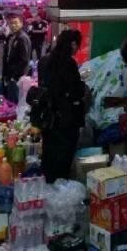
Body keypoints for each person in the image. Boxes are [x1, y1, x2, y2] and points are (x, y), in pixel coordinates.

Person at [38, 28, 85, 183]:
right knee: (63, 158)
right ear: (73, 44)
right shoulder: (69, 63)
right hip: (65, 120)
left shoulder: (44, 61)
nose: (77, 49)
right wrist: (82, 85)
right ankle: (60, 188)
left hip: (47, 118)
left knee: (49, 154)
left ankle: (47, 185)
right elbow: (76, 91)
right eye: (77, 45)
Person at [2, 12, 31, 104]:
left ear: (21, 23)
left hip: (17, 78)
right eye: (11, 23)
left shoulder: (22, 38)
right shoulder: (11, 36)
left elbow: (24, 60)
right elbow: (7, 56)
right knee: (10, 101)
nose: (13, 25)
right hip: (10, 75)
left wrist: (14, 77)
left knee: (14, 103)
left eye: (15, 23)